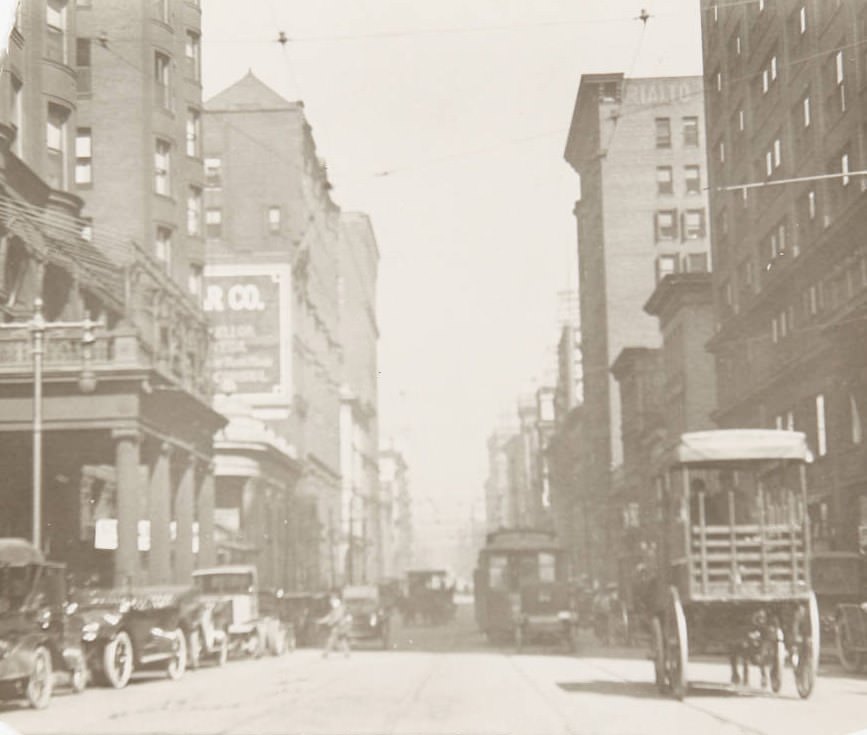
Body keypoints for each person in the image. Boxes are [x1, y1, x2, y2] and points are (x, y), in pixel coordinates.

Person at [317, 592, 352, 658]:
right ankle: (347, 653)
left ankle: (326, 653)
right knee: (342, 640)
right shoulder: (335, 609)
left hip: (339, 626)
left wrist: (330, 622)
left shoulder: (340, 608)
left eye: (333, 600)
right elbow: (329, 616)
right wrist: (321, 621)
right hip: (340, 626)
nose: (331, 602)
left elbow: (336, 617)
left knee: (331, 640)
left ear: (337, 600)